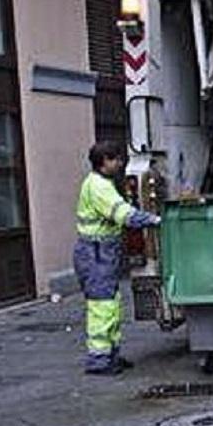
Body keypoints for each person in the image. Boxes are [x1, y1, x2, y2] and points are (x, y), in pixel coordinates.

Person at [73, 141, 160, 375]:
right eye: (116, 159)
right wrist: (154, 220)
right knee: (102, 306)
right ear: (105, 162)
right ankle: (99, 360)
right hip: (96, 253)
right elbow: (124, 216)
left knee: (109, 304)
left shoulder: (100, 183)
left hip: (100, 252)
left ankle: (110, 355)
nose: (120, 164)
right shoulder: (99, 187)